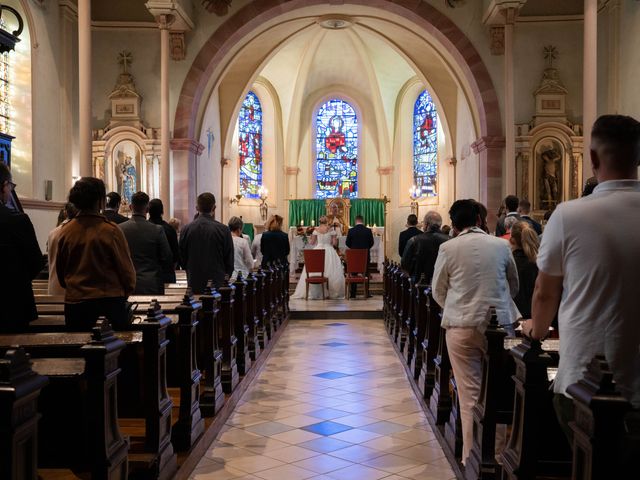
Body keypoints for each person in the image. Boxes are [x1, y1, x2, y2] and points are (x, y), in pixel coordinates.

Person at [521, 114, 640, 443]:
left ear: (591, 158)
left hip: (584, 377)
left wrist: (537, 329)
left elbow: (545, 293)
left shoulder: (569, 214)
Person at [432, 199, 519, 463]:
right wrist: (499, 307)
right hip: (501, 327)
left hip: (461, 327)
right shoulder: (502, 245)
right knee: (500, 390)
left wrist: (458, 308)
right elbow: (513, 285)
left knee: (469, 392)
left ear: (455, 225)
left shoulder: (448, 247)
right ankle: (499, 455)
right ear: (479, 220)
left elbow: (438, 290)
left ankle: (472, 457)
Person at [55, 177, 136, 331]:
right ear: (100, 201)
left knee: (79, 350)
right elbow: (127, 272)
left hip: (75, 305)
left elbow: (61, 273)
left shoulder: (66, 231)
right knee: (115, 351)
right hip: (107, 304)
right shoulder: (110, 230)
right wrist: (125, 291)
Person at [0, 163, 44, 332]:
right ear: (4, 186)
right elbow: (36, 263)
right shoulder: (17, 220)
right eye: (10, 187)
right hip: (12, 304)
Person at [119, 192, 172, 295]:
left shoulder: (119, 229)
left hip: (126, 283)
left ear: (130, 207)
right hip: (151, 283)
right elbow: (167, 257)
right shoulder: (157, 230)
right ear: (147, 209)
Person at [180, 192, 234, 292]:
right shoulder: (223, 229)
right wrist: (224, 278)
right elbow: (229, 261)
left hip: (194, 282)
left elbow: (182, 258)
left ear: (197, 208)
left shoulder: (186, 229)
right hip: (217, 283)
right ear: (214, 208)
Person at [291, 216, 344, 299]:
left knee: (315, 269)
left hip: (317, 251)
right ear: (327, 221)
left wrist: (306, 237)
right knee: (331, 270)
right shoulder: (331, 230)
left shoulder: (316, 230)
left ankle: (315, 292)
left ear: (319, 222)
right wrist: (333, 239)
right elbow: (334, 243)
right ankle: (331, 291)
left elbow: (312, 243)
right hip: (329, 251)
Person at [400, 211, 449, 283]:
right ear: (440, 224)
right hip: (443, 282)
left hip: (420, 281)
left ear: (426, 224)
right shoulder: (449, 240)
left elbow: (404, 263)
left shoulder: (414, 240)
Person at [509, 221, 539, 319]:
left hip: (513, 314)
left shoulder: (508, 262)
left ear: (512, 240)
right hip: (535, 314)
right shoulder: (539, 261)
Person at [48, 202, 78, 295]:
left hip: (54, 285)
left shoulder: (53, 232)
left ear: (65, 212)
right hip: (70, 288)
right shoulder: (76, 232)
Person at [149, 198, 180, 282]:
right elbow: (175, 255)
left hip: (149, 274)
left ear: (148, 211)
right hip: (166, 273)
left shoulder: (143, 229)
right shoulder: (169, 229)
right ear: (162, 211)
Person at [346, 215, 374, 298]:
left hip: (354, 257)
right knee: (366, 273)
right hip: (365, 256)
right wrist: (366, 248)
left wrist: (353, 248)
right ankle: (366, 292)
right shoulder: (368, 231)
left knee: (353, 273)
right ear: (363, 221)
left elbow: (347, 243)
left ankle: (353, 293)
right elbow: (371, 243)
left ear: (356, 221)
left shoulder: (351, 231)